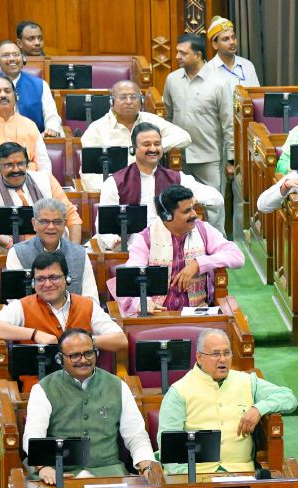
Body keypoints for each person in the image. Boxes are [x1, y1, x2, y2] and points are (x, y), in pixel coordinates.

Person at [23, 328, 157, 485]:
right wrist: (44, 468)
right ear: (60, 359)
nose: (83, 360)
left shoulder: (118, 386)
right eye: (74, 356)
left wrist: (147, 466)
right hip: (60, 474)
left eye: (88, 353)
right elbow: (33, 437)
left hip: (109, 473)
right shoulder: (43, 389)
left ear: (96, 353)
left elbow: (136, 436)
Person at [0, 251, 127, 393]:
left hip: (85, 390)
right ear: (33, 282)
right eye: (40, 279)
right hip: (39, 392)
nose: (47, 284)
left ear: (67, 278)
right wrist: (35, 334)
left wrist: (83, 342)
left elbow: (120, 340)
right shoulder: (22, 306)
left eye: (54, 277)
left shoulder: (87, 305)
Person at [157, 328, 298, 474]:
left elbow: (288, 397)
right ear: (199, 357)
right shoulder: (179, 391)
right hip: (197, 474)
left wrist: (258, 409)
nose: (223, 359)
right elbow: (167, 444)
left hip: (242, 472)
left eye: (227, 353)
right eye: (216, 354)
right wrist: (183, 478)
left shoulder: (246, 381)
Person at [110, 185, 244, 316]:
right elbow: (132, 277)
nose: (194, 215)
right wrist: (144, 302)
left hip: (196, 314)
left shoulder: (204, 230)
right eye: (187, 211)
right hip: (157, 315)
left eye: (193, 208)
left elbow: (237, 257)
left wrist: (198, 264)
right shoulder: (145, 239)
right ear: (167, 216)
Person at [97, 122, 222, 249]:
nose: (153, 149)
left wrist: (192, 200)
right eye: (146, 144)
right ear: (133, 149)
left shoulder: (176, 178)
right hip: (132, 249)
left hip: (173, 247)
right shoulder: (115, 182)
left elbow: (217, 199)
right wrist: (115, 242)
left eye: (157, 144)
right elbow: (102, 224)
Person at [163, 33, 234, 235]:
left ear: (198, 55)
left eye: (183, 53)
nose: (177, 56)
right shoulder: (172, 80)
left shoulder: (219, 82)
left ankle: (217, 244)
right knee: (179, 204)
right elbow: (168, 117)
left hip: (209, 156)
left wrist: (231, 159)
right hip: (178, 157)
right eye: (177, 52)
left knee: (213, 206)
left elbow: (228, 123)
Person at [79, 80, 192, 191]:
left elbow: (184, 137)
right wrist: (107, 192)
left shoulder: (151, 120)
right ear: (111, 101)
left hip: (152, 186)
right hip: (114, 188)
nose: (129, 101)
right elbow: (88, 172)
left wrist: (154, 147)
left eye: (133, 97)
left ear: (141, 100)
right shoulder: (96, 129)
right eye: (122, 97)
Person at [0, 142, 80, 248]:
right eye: (9, 165)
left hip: (59, 248)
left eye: (20, 164)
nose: (16, 169)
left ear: (27, 164)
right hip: (15, 250)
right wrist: (17, 248)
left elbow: (71, 215)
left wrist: (74, 250)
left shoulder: (46, 180)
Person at [7, 197, 99, 304]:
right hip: (30, 314)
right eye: (44, 221)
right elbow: (15, 302)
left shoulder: (80, 254)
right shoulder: (17, 253)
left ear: (65, 224)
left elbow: (91, 300)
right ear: (34, 223)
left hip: (72, 313)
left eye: (57, 222)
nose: (51, 227)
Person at [0, 41, 62, 137]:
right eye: (6, 55)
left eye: (16, 54)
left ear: (23, 58)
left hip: (34, 140)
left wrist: (51, 129)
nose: (12, 59)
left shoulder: (41, 85)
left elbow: (51, 116)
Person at [205, 16, 260, 87]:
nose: (232, 42)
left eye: (233, 37)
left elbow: (257, 93)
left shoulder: (248, 65)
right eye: (226, 39)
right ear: (215, 44)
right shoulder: (208, 70)